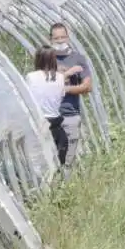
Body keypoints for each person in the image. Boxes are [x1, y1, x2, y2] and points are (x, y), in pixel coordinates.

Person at [25, 45, 82, 166]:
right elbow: (60, 97)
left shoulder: (30, 77)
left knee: (39, 163)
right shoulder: (60, 78)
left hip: (38, 123)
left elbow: (27, 99)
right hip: (56, 124)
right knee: (58, 162)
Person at [50, 23, 93, 173]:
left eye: (63, 37)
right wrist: (66, 76)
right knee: (50, 159)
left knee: (67, 160)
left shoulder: (78, 58)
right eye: (56, 38)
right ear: (50, 39)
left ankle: (65, 191)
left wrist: (64, 89)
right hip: (49, 116)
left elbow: (87, 87)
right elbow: (39, 84)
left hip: (70, 114)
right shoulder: (46, 58)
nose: (60, 41)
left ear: (68, 38)